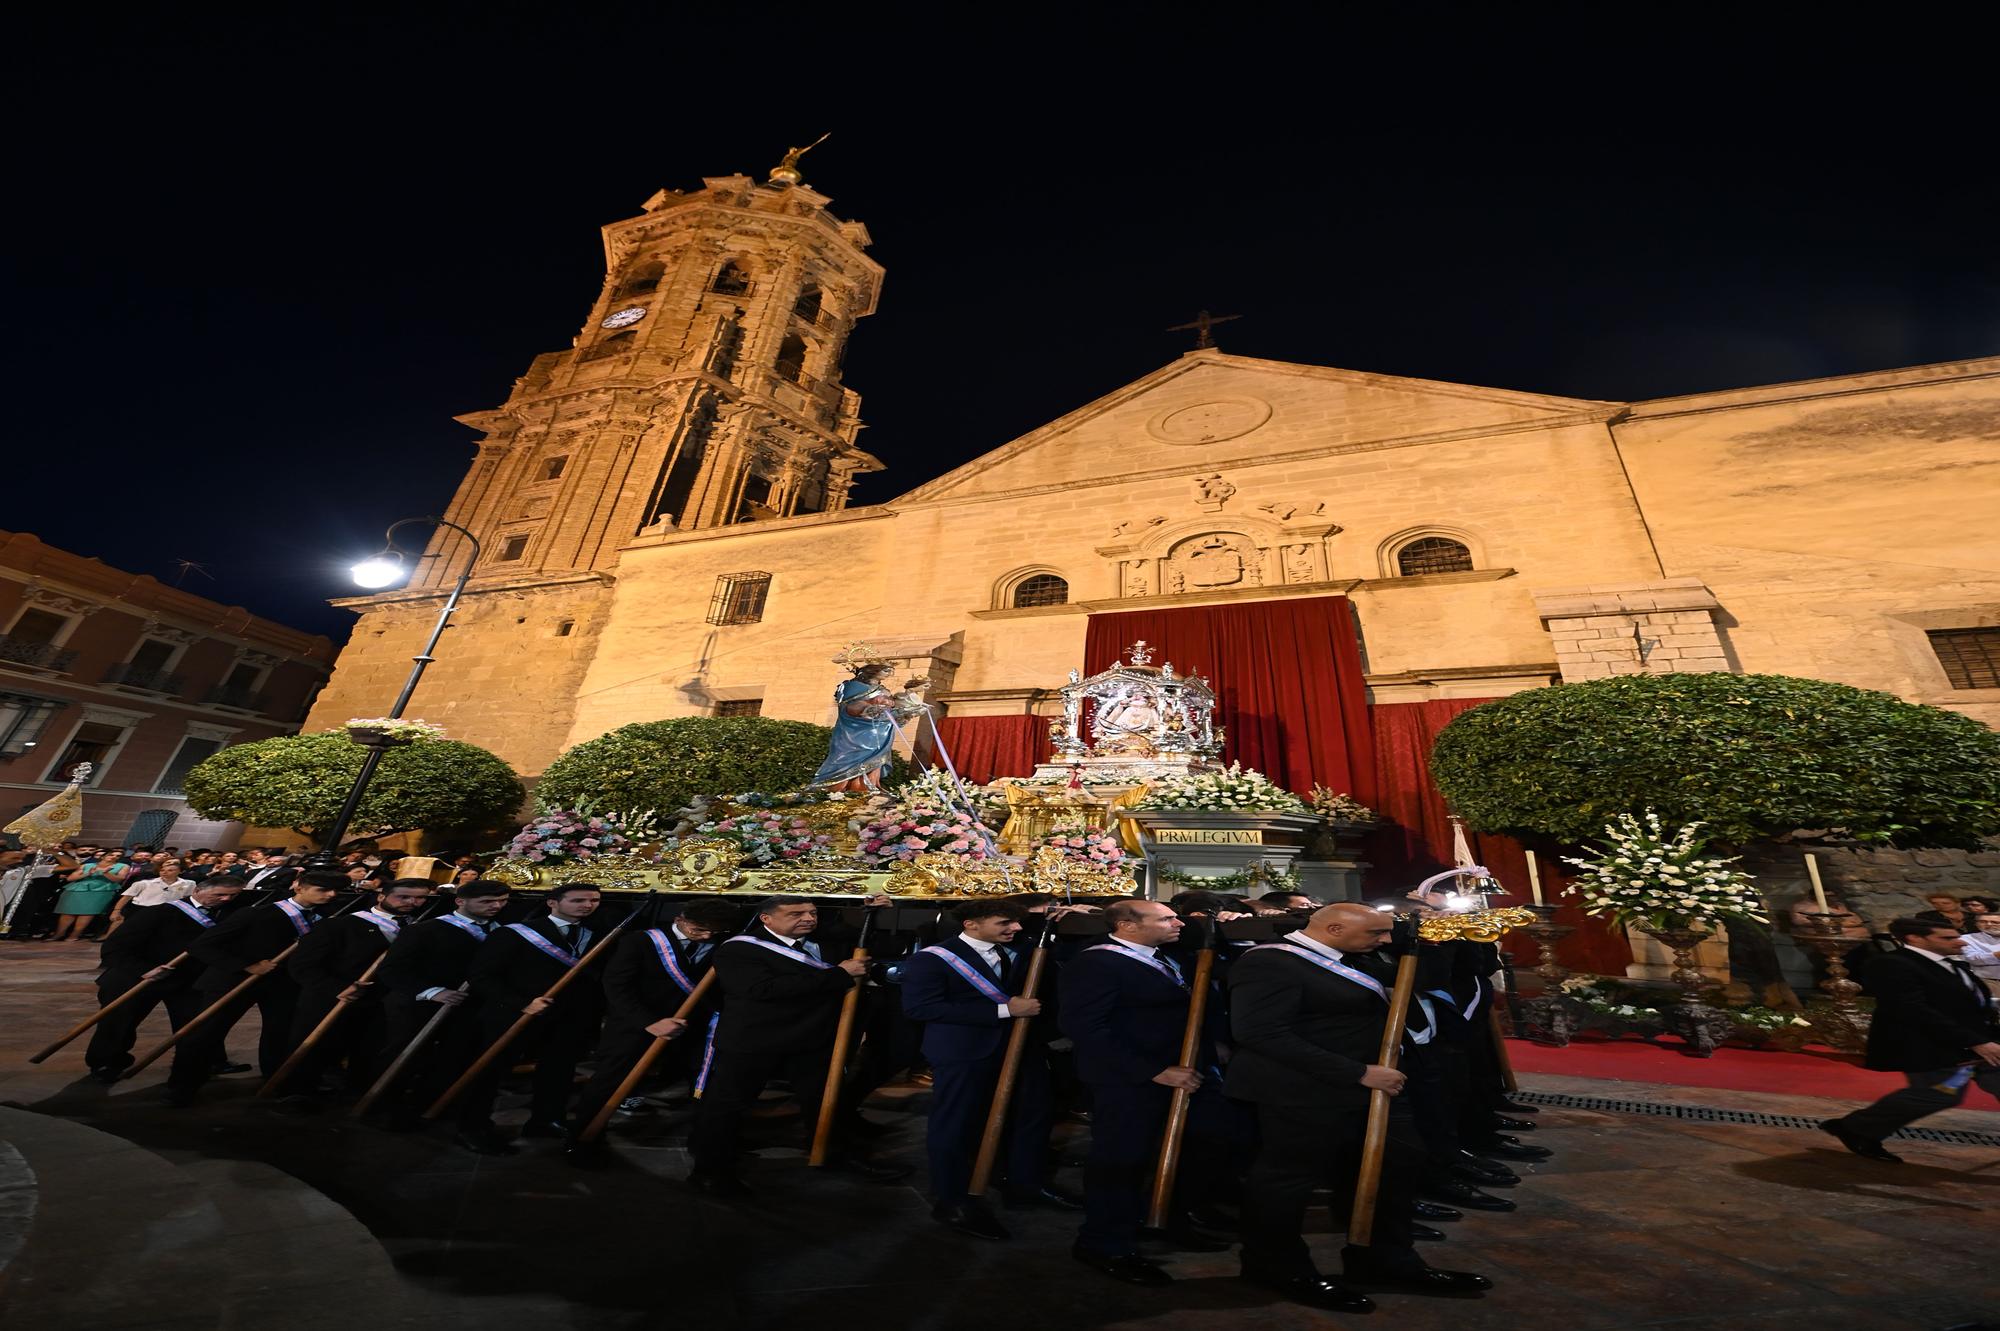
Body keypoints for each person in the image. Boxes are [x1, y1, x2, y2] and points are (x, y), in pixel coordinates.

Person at [1229, 902, 1493, 1308]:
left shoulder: (1352, 958)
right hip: (1302, 1091)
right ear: (1334, 929)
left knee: (1397, 1165)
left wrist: (1440, 937)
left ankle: (1386, 1259)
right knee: (1288, 1180)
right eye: (1377, 934)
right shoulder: (1270, 963)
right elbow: (1261, 1034)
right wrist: (1356, 1072)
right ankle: (1276, 1266)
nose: (1386, 941)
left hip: (1371, 1087)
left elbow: (1425, 978)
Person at [687, 894, 908, 1194]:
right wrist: (839, 974)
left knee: (826, 1101)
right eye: (795, 913)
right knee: (728, 1107)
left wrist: (871, 914)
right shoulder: (739, 949)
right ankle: (710, 1171)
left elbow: (871, 945)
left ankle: (835, 1154)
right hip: (754, 1041)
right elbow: (762, 989)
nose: (808, 918)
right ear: (767, 918)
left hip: (811, 1040)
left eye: (812, 912)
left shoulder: (824, 944)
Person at [1057, 898, 1206, 1287]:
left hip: (1177, 1071)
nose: (1179, 923)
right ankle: (1104, 1243)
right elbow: (1086, 1029)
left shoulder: (1164, 955)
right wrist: (1153, 1071)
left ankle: (1160, 1219)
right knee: (1120, 1160)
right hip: (1125, 1079)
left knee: (1178, 1150)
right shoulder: (1096, 963)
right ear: (1127, 925)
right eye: (1166, 918)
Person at [901, 900, 1070, 1239]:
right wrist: (1004, 1012)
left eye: (1017, 923)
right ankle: (952, 1200)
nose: (1016, 928)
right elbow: (921, 1008)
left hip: (1022, 1048)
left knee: (1032, 1116)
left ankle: (1025, 1184)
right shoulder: (932, 959)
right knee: (957, 1124)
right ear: (971, 924)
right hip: (963, 1052)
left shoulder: (1024, 949)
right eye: (1004, 922)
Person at [1820, 918, 2000, 1162]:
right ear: (1915, 939)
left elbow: (1968, 1003)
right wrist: (1974, 1041)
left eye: (1956, 935)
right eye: (1946, 938)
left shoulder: (1949, 964)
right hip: (1928, 1043)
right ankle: (1856, 1128)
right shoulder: (1891, 964)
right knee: (1937, 1094)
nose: (1958, 941)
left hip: (1975, 1042)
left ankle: (1857, 1127)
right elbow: (1911, 1009)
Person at [569, 897, 742, 1148]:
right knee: (610, 1081)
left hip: (694, 1026)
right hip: (637, 1024)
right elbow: (617, 987)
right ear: (679, 920)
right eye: (698, 929)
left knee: (707, 1083)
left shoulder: (725, 944)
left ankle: (708, 1141)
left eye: (713, 932)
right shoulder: (641, 941)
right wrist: (649, 1022)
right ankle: (584, 1140)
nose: (705, 937)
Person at [170, 873, 344, 1105]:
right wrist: (247, 966)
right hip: (233, 981)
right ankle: (182, 1086)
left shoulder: (327, 918)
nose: (331, 895)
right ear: (298, 887)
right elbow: (201, 946)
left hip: (283, 985)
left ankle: (278, 1082)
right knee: (206, 1034)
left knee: (281, 1035)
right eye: (322, 889)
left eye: (335, 891)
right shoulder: (256, 913)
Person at [459, 883, 610, 1147]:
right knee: (491, 1071)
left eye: (594, 900)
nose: (587, 906)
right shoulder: (516, 933)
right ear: (553, 902)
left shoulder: (600, 934)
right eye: (578, 901)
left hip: (569, 1017)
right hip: (513, 1014)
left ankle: (547, 1119)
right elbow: (482, 977)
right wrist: (521, 1003)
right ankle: (475, 1126)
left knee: (559, 1070)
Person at [370, 878, 512, 1141]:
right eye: (487, 902)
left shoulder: (504, 931)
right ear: (461, 901)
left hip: (468, 1006)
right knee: (405, 1056)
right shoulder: (426, 930)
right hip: (418, 1004)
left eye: (502, 901)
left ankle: (432, 1104)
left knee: (453, 1057)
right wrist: (434, 991)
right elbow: (392, 971)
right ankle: (387, 1108)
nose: (496, 906)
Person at [280, 877, 435, 1096]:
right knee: (316, 1049)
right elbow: (302, 965)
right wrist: (337, 988)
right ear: (382, 896)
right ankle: (297, 1093)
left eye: (420, 898)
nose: (412, 902)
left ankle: (357, 1092)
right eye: (404, 896)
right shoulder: (339, 925)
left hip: (381, 1001)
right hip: (333, 998)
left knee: (368, 1049)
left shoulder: (421, 928)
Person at [85, 877, 245, 1081]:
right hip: (137, 977)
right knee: (118, 1023)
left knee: (196, 1024)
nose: (225, 899)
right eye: (219, 894)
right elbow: (114, 948)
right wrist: (145, 970)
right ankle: (106, 1063)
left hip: (188, 979)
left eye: (232, 895)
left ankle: (207, 1062)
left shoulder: (230, 914)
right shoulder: (159, 912)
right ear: (198, 890)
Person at [811, 659, 907, 791]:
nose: (889, 674)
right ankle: (840, 789)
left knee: (875, 761)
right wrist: (868, 708)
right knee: (848, 759)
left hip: (879, 731)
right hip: (855, 732)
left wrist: (904, 713)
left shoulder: (882, 689)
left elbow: (890, 711)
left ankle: (870, 786)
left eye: (891, 671)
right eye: (886, 670)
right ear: (872, 670)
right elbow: (849, 706)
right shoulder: (852, 686)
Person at [51, 849, 130, 940]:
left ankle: (74, 935)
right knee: (67, 912)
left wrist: (106, 873)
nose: (114, 857)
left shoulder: (122, 866)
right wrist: (88, 873)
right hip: (77, 889)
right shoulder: (87, 865)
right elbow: (70, 878)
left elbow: (119, 879)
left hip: (101, 890)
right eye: (111, 855)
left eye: (117, 856)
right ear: (102, 856)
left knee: (87, 913)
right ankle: (59, 934)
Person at [107, 857, 195, 932]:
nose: (165, 872)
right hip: (141, 910)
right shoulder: (144, 883)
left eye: (170, 870)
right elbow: (126, 898)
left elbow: (187, 898)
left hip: (167, 911)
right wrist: (116, 911)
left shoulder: (189, 883)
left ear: (180, 871)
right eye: (162, 870)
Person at [1959, 912, 2000, 994]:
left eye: (1995, 922)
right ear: (1976, 924)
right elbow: (1972, 958)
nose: (1989, 924)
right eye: (1983, 922)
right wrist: (1997, 955)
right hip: (1989, 981)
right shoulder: (1966, 938)